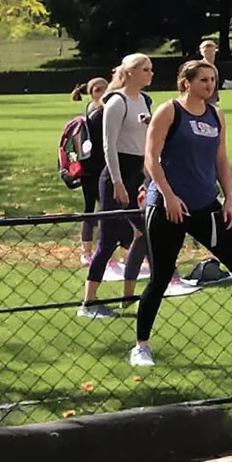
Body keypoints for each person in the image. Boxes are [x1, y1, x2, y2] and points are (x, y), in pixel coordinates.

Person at [129, 58, 232, 370]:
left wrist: (229, 200)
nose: (210, 85)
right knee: (162, 276)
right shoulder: (169, 111)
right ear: (186, 82)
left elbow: (221, 159)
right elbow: (151, 159)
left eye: (212, 80)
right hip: (168, 205)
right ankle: (141, 346)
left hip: (206, 204)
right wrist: (167, 195)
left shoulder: (215, 115)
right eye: (203, 80)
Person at [80, 57, 155, 317]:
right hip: (116, 176)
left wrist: (146, 179)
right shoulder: (116, 101)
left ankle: (128, 295)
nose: (151, 74)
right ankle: (88, 303)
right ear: (131, 72)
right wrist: (117, 182)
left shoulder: (145, 101)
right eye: (145, 70)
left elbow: (146, 143)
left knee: (144, 233)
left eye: (151, 69)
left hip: (137, 175)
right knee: (108, 241)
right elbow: (108, 146)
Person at [67, 76, 107, 258]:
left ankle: (92, 251)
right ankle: (88, 251)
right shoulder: (98, 112)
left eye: (105, 89)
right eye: (98, 90)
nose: (103, 93)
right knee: (94, 208)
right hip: (93, 167)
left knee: (99, 208)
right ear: (90, 94)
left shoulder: (98, 110)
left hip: (97, 165)